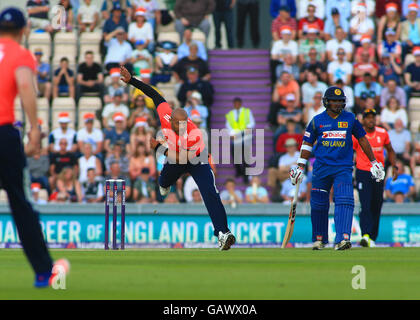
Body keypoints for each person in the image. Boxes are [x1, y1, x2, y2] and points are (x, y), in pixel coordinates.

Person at [120, 65, 236, 250]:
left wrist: (159, 147)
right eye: (178, 124)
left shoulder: (195, 134)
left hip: (195, 159)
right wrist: (132, 81)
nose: (182, 127)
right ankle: (164, 183)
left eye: (184, 124)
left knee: (210, 193)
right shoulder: (165, 113)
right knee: (165, 181)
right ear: (171, 120)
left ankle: (223, 233)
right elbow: (154, 94)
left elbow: (183, 159)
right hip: (175, 158)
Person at [0, 7, 58, 287]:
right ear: (23, 30)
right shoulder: (21, 55)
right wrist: (34, 128)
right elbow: (25, 86)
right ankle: (43, 272)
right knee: (20, 204)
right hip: (4, 134)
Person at [290, 86, 385, 250]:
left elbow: (363, 140)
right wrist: (300, 166)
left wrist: (374, 162)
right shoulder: (317, 120)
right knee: (319, 204)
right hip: (321, 168)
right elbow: (307, 144)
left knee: (345, 200)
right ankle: (319, 239)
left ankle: (343, 238)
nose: (337, 104)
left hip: (343, 168)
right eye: (334, 101)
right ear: (326, 102)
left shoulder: (350, 118)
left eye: (340, 101)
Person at [352, 109, 397, 247]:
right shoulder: (358, 135)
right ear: (363, 120)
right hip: (363, 172)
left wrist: (394, 166)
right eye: (368, 118)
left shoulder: (382, 133)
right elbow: (350, 150)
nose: (370, 120)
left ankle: (372, 237)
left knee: (377, 204)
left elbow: (390, 149)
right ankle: (365, 234)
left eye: (373, 117)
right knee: (365, 204)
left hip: (379, 173)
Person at [225, 97, 255, 183]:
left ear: (240, 104)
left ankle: (246, 174)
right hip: (235, 136)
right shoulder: (230, 114)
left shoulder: (247, 112)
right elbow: (228, 126)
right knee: (235, 154)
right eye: (235, 103)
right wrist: (231, 134)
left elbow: (252, 123)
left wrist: (247, 129)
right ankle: (239, 170)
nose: (237, 105)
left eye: (238, 103)